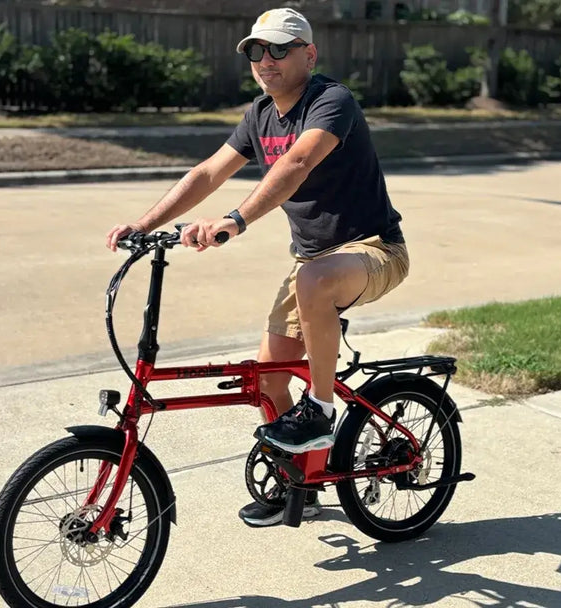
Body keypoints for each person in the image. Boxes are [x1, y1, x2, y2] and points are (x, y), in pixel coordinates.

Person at [106, 8, 409, 526]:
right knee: (267, 379)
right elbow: (207, 173)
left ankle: (320, 409)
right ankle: (301, 484)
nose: (264, 61)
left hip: (374, 249)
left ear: (308, 54)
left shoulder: (331, 101)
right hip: (313, 262)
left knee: (314, 280)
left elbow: (295, 164)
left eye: (278, 49)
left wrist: (235, 220)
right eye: (254, 51)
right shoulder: (259, 114)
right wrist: (143, 222)